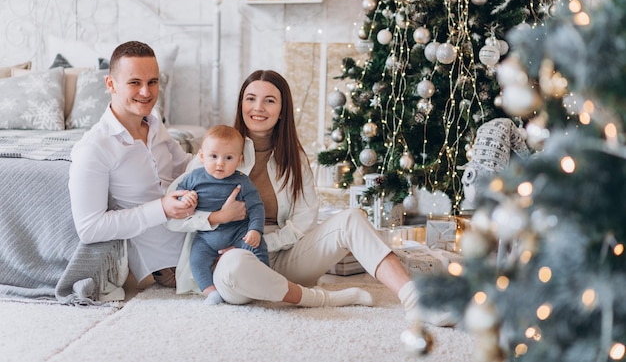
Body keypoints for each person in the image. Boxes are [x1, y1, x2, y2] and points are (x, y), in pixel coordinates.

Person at [173, 70, 455, 325]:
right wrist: (216, 220)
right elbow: (172, 216)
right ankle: (325, 299)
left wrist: (260, 241)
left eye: (269, 100)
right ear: (241, 105)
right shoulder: (213, 152)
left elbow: (303, 222)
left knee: (351, 218)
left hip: (284, 258)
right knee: (236, 266)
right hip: (227, 263)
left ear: (282, 110)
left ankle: (416, 302)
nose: (258, 108)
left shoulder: (293, 158)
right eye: (251, 99)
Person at [68, 40, 199, 289]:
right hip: (171, 261)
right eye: (134, 83)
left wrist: (222, 156)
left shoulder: (155, 122)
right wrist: (162, 209)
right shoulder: (95, 148)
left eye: (152, 82)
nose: (146, 93)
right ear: (110, 84)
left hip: (201, 230)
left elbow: (183, 165)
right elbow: (89, 228)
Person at [175, 125, 269, 305]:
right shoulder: (194, 178)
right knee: (196, 259)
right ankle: (211, 291)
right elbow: (178, 193)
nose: (220, 163)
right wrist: (186, 197)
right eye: (213, 156)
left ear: (239, 160)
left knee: (257, 248)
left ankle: (264, 281)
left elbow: (257, 207)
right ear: (202, 156)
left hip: (238, 233)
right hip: (207, 237)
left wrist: (255, 230)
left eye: (228, 158)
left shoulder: (242, 181)